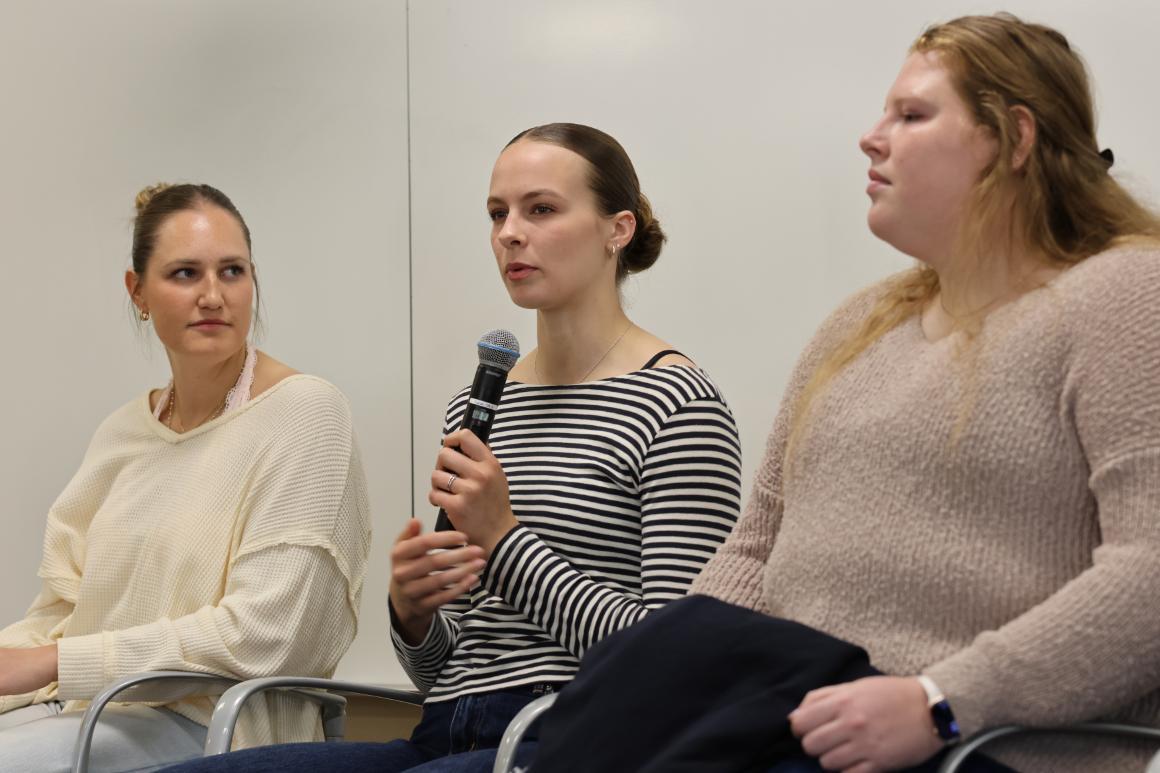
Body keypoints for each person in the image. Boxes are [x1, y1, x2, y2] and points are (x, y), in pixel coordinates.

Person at [165, 124, 743, 773]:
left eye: (541, 209)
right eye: (498, 213)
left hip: (575, 733)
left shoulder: (677, 403)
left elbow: (675, 662)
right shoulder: (484, 401)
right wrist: (413, 615)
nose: (509, 232)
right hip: (445, 727)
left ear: (619, 229)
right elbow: (447, 664)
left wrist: (504, 540)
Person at [684, 13, 1160, 773]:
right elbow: (757, 541)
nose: (872, 138)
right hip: (777, 726)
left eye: (911, 115)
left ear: (1014, 140)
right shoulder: (860, 324)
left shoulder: (1125, 295)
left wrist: (943, 699)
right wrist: (666, 671)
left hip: (972, 750)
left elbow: (1153, 573)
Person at [0, 183, 372, 772]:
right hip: (84, 709)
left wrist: (53, 663)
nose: (212, 295)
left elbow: (263, 636)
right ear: (138, 292)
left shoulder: (307, 413)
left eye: (232, 271)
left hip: (219, 729)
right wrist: (30, 661)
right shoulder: (123, 433)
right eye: (183, 274)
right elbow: (60, 614)